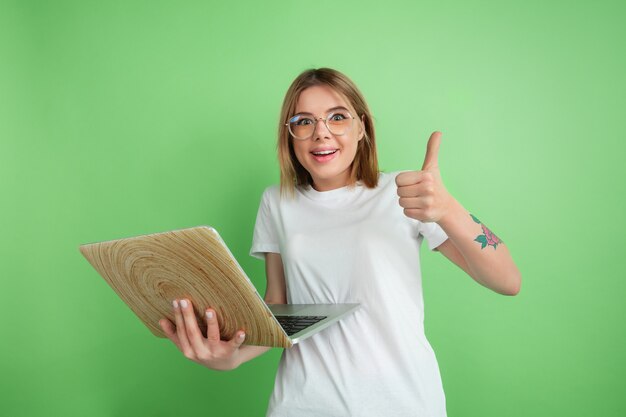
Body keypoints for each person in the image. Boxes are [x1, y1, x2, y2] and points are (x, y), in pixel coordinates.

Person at [159, 68, 522, 416]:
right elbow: (278, 305)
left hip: (402, 403)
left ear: (362, 127)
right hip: (301, 405)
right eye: (304, 121)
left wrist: (448, 210)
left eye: (337, 117)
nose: (321, 133)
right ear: (290, 135)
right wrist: (232, 355)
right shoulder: (277, 202)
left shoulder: (403, 192)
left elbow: (507, 280)